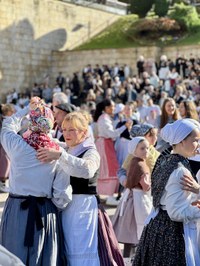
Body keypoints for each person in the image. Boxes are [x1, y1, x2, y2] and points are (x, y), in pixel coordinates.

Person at [36, 111, 124, 266]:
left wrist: (59, 156)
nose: (67, 133)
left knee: (82, 249)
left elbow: (87, 170)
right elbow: (51, 141)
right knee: (69, 248)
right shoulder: (69, 148)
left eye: (72, 130)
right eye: (64, 129)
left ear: (84, 132)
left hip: (83, 207)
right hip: (68, 207)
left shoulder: (91, 152)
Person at [0, 97, 72, 265]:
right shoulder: (58, 153)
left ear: (31, 122)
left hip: (17, 208)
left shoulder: (17, 146)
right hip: (44, 211)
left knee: (13, 256)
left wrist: (28, 109)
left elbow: (8, 125)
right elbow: (61, 194)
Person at [133, 119, 200, 266]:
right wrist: (197, 210)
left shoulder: (163, 160)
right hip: (171, 233)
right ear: (182, 141)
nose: (198, 145)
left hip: (156, 226)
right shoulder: (180, 170)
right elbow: (176, 212)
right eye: (195, 141)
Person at [112, 137, 152, 258]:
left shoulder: (134, 161)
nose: (146, 151)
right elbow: (145, 187)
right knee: (138, 228)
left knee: (129, 232)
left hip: (130, 197)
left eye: (147, 148)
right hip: (137, 199)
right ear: (134, 150)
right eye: (142, 148)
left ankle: (127, 258)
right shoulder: (140, 165)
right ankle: (133, 258)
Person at [94, 99, 132, 206]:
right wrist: (125, 126)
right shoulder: (104, 118)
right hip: (105, 145)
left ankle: (107, 195)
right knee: (110, 169)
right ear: (106, 108)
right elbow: (112, 134)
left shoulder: (104, 118)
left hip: (105, 144)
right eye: (112, 106)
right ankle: (109, 196)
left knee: (106, 169)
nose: (114, 109)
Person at [0, 104, 16, 192]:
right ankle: (2, 183)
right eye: (12, 111)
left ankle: (3, 183)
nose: (13, 112)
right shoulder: (4, 119)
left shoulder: (5, 119)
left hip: (5, 143)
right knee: (4, 163)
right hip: (3, 144)